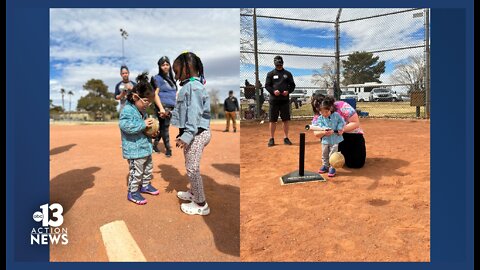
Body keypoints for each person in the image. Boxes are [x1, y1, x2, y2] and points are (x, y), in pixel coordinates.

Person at [170, 52, 211, 216]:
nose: (175, 74)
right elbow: (184, 111)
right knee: (189, 165)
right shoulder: (189, 86)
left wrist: (186, 136)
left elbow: (194, 115)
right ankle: (194, 193)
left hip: (197, 134)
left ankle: (201, 203)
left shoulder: (193, 87)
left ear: (187, 70)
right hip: (192, 133)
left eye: (176, 70)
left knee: (192, 168)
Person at [119, 72, 160, 205]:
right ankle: (133, 191)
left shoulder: (142, 111)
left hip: (145, 147)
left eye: (150, 102)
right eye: (146, 101)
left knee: (148, 168)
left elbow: (144, 129)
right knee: (137, 171)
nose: (148, 104)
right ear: (136, 97)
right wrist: (143, 124)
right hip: (134, 149)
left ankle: (145, 185)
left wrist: (151, 132)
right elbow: (125, 126)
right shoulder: (127, 110)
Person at [311, 93, 366, 168]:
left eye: (326, 110)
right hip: (332, 138)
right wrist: (324, 132)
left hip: (351, 135)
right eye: (320, 110)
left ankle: (344, 153)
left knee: (356, 164)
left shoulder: (341, 106)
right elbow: (316, 133)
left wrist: (342, 129)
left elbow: (355, 122)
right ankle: (331, 156)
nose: (323, 113)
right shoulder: (319, 113)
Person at [265, 55, 296, 147]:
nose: (279, 66)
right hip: (274, 101)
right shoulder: (270, 74)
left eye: (280, 64)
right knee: (272, 120)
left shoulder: (288, 74)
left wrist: (288, 91)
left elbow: (292, 85)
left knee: (285, 120)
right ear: (275, 64)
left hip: (284, 100)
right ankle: (271, 138)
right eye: (277, 65)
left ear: (282, 63)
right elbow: (267, 86)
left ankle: (286, 138)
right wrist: (274, 91)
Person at [312, 96, 345, 177]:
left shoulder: (336, 115)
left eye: (326, 112)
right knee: (324, 153)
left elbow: (341, 122)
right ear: (319, 111)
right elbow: (319, 126)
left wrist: (340, 128)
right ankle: (325, 165)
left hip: (335, 139)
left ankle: (332, 167)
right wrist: (324, 130)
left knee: (333, 154)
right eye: (322, 112)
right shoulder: (320, 118)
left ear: (330, 108)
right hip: (325, 140)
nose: (324, 114)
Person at [151, 56, 177, 157]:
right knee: (165, 127)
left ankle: (154, 145)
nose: (165, 67)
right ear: (159, 67)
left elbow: (174, 92)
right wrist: (161, 108)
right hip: (163, 105)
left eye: (167, 64)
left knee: (163, 127)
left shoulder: (171, 79)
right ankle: (168, 149)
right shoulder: (157, 78)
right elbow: (155, 94)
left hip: (171, 106)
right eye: (163, 65)